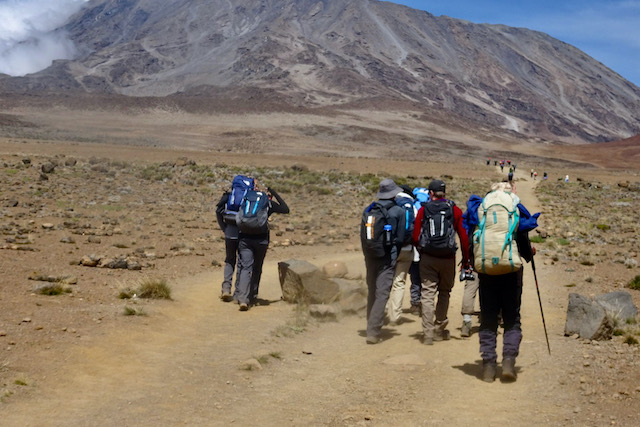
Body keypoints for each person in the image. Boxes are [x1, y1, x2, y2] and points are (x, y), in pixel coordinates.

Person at [467, 182, 538, 382]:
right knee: (512, 318)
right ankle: (508, 361)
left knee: (488, 319)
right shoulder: (513, 210)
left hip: (487, 273)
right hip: (511, 274)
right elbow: (523, 241)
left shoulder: (482, 211)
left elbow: (473, 238)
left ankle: (489, 365)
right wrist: (528, 255)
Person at [413, 180, 470, 345]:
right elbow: (464, 237)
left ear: (431, 193)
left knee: (428, 293)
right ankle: (439, 328)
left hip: (428, 258)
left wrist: (422, 250)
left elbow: (416, 236)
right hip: (447, 258)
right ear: (444, 193)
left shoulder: (424, 210)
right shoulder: (454, 210)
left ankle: (428, 334)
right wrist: (465, 259)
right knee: (444, 292)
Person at [361, 179, 407, 344]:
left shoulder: (369, 209)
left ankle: (370, 324)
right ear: (394, 193)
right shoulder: (398, 211)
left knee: (372, 290)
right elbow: (401, 237)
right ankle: (373, 331)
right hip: (387, 257)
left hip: (370, 256)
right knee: (383, 293)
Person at [235, 181, 289, 311]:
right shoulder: (268, 203)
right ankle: (253, 295)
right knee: (257, 267)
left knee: (245, 268)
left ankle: (243, 298)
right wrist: (273, 192)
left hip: (245, 238)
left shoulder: (247, 199)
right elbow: (286, 209)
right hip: (261, 240)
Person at [215, 177, 254, 302]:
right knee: (242, 263)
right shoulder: (250, 197)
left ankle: (226, 288)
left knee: (230, 260)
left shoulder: (229, 196)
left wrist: (224, 228)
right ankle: (238, 293)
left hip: (229, 232)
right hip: (244, 233)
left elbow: (218, 211)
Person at [386, 185, 418, 325]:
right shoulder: (413, 207)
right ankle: (395, 316)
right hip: (406, 249)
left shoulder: (391, 205)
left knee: (387, 280)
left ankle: (383, 311)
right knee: (399, 283)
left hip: (390, 248)